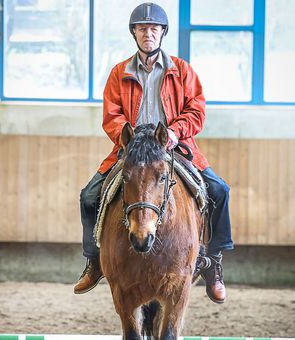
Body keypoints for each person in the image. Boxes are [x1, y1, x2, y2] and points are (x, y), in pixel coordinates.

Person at [74, 2, 233, 303]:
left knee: (219, 190)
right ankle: (94, 262)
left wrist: (174, 132)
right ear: (134, 33)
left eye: (153, 28)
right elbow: (111, 116)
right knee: (89, 196)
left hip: (173, 148)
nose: (148, 33)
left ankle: (213, 266)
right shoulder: (119, 72)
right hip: (132, 151)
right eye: (142, 28)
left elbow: (196, 110)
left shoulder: (183, 71)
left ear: (162, 33)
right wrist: (127, 137)